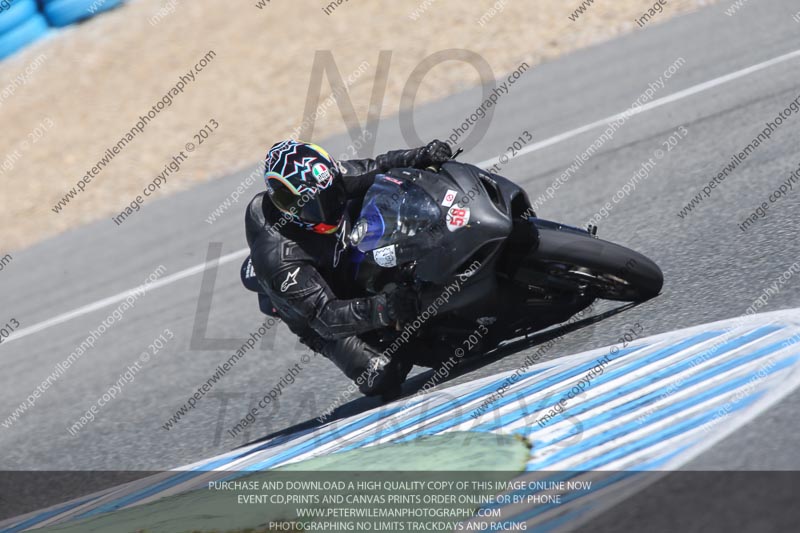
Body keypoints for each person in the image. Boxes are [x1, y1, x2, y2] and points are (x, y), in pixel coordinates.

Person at [244, 139, 453, 398]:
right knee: (382, 374)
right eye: (313, 205)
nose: (328, 209)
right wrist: (386, 308)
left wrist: (421, 154)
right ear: (288, 205)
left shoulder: (325, 179)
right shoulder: (277, 255)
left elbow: (378, 167)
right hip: (321, 314)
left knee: (389, 192)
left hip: (345, 253)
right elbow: (326, 317)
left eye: (331, 195)